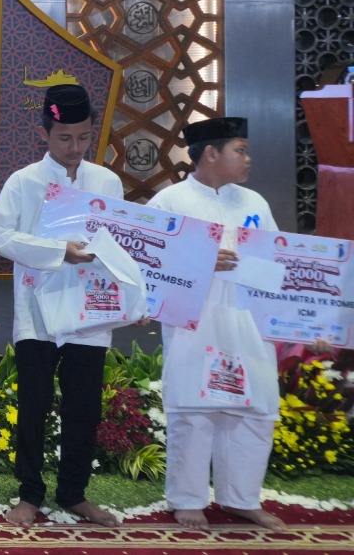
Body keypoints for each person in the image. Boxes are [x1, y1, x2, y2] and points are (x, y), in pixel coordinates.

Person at [0, 84, 123, 529]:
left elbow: (122, 244)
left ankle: (74, 494)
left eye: (84, 137)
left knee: (84, 408)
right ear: (44, 133)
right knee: (34, 404)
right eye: (65, 138)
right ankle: (29, 494)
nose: (75, 148)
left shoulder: (107, 182)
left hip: (90, 312)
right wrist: (57, 250)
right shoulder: (24, 181)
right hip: (38, 311)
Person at [148, 116, 285, 532]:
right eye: (240, 150)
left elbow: (280, 266)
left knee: (254, 412)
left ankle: (242, 499)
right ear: (211, 153)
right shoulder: (169, 203)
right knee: (194, 411)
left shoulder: (255, 203)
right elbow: (148, 263)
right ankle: (188, 499)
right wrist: (199, 261)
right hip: (197, 324)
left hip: (249, 324)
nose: (248, 159)